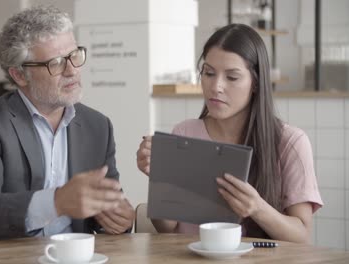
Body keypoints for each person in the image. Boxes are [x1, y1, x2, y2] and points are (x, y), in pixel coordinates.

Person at [0, 6, 134, 244]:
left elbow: (102, 210)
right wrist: (56, 203)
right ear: (19, 75)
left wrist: (120, 219)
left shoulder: (97, 126)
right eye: (56, 63)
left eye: (74, 55)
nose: (72, 70)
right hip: (2, 257)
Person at [136, 24, 323, 243]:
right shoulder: (184, 133)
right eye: (209, 73)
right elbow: (169, 230)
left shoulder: (291, 142)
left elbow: (302, 237)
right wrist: (160, 178)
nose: (216, 86)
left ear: (255, 82)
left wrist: (257, 208)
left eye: (232, 77)